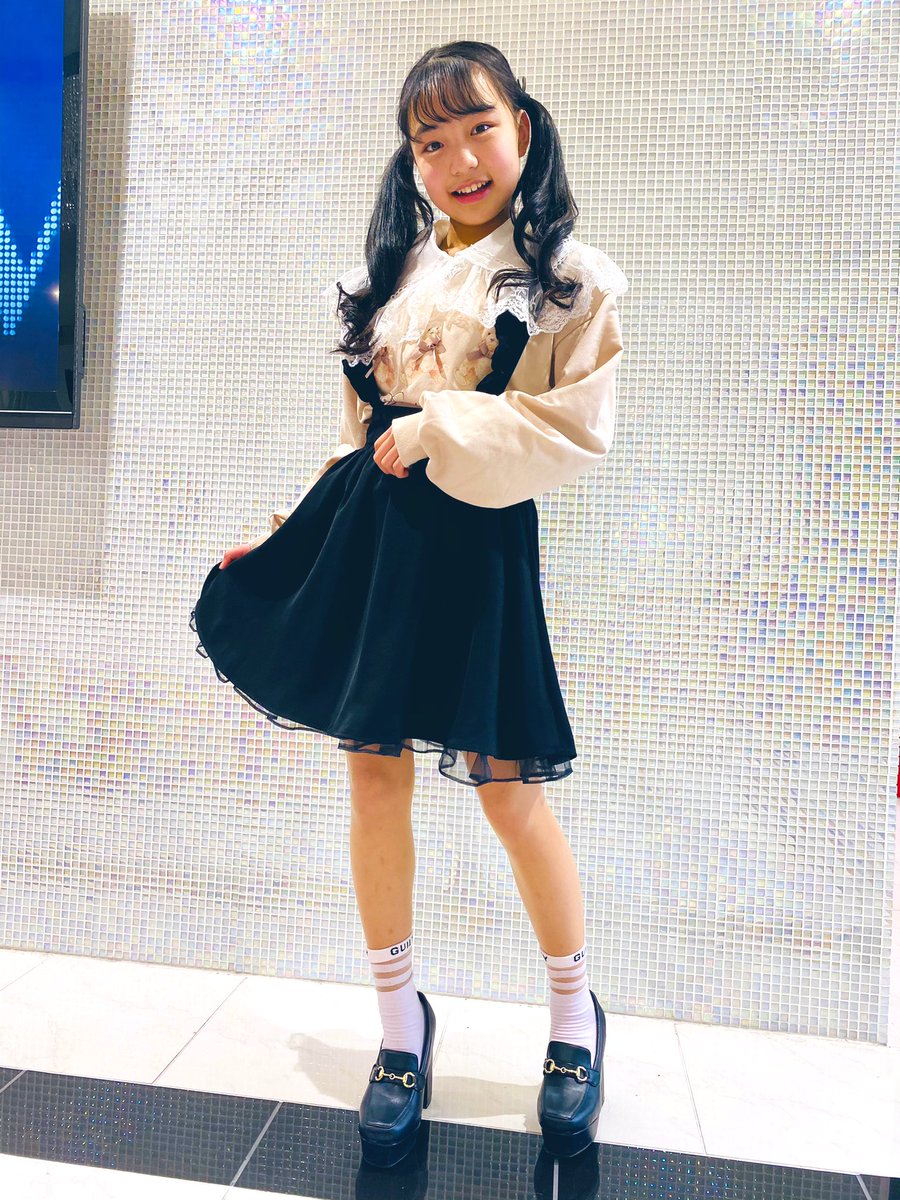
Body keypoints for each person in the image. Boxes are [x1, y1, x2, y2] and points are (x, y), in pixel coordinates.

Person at [189, 39, 627, 1169]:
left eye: (478, 129)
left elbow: (580, 429)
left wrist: (445, 425)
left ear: (522, 128)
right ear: (412, 159)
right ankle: (398, 1031)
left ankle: (574, 1021)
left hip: (477, 548)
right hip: (372, 547)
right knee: (373, 779)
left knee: (510, 792)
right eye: (432, 142)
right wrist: (288, 538)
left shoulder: (570, 281)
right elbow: (355, 445)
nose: (459, 159)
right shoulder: (376, 280)